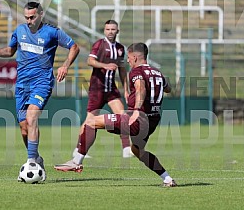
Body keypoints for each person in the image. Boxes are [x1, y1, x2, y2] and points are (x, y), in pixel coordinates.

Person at [0, 1, 80, 181]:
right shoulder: (20, 31)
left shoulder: (52, 32)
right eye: (26, 17)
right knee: (24, 127)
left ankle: (31, 162)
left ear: (41, 15)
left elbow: (74, 47)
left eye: (32, 17)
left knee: (32, 117)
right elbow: (9, 51)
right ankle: (37, 158)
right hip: (22, 85)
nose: (29, 20)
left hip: (42, 82)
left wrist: (65, 66)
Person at [54, 42, 177, 187]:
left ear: (136, 57)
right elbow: (168, 88)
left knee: (91, 122)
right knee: (137, 151)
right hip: (152, 121)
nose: (128, 61)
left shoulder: (136, 72)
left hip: (137, 118)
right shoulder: (157, 72)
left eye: (129, 58)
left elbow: (140, 88)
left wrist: (137, 110)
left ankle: (76, 162)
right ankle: (167, 179)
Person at [72, 19, 133, 159]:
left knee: (123, 116)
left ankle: (126, 148)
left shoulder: (120, 48)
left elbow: (122, 70)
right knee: (89, 121)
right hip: (97, 89)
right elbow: (90, 61)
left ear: (117, 31)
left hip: (111, 89)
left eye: (113, 29)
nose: (110, 32)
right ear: (104, 31)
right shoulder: (99, 44)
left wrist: (127, 89)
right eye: (108, 29)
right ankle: (78, 149)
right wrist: (104, 65)